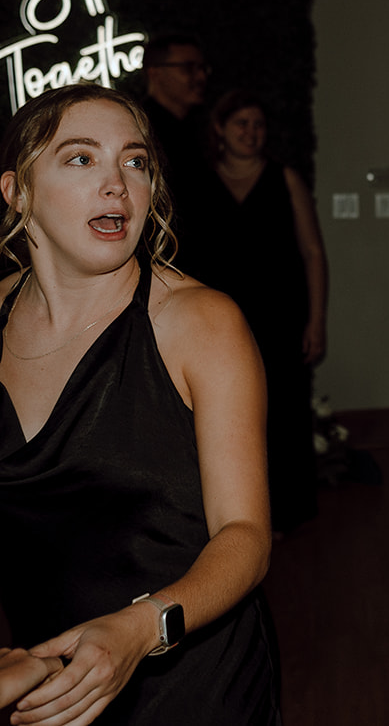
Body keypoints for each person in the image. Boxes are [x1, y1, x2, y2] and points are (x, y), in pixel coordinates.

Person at [0, 84, 279, 725]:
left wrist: (140, 629)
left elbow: (247, 538)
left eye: (135, 161)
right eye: (80, 159)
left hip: (192, 683)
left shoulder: (200, 322)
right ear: (18, 192)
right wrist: (25, 661)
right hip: (48, 690)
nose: (116, 184)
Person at [197, 89, 327, 534]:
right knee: (225, 415)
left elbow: (312, 252)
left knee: (284, 414)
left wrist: (316, 319)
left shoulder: (284, 178)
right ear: (220, 129)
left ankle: (285, 511)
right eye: (242, 124)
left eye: (258, 125)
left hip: (280, 317)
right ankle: (230, 515)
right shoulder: (200, 179)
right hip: (217, 322)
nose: (252, 133)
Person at [137, 36, 210, 259]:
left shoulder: (198, 130)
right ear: (155, 73)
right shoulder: (140, 128)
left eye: (202, 68)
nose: (201, 77)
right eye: (188, 68)